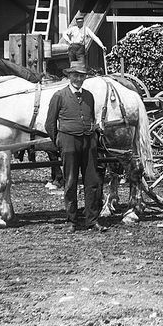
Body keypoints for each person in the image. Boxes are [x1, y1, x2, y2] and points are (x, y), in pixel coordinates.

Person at [44, 59, 105, 232]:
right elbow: (50, 124)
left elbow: (91, 117)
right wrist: (59, 142)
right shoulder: (59, 96)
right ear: (69, 76)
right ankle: (72, 221)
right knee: (70, 182)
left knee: (92, 182)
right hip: (68, 142)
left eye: (82, 76)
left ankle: (92, 220)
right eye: (75, 75)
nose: (79, 79)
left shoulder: (89, 96)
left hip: (88, 142)